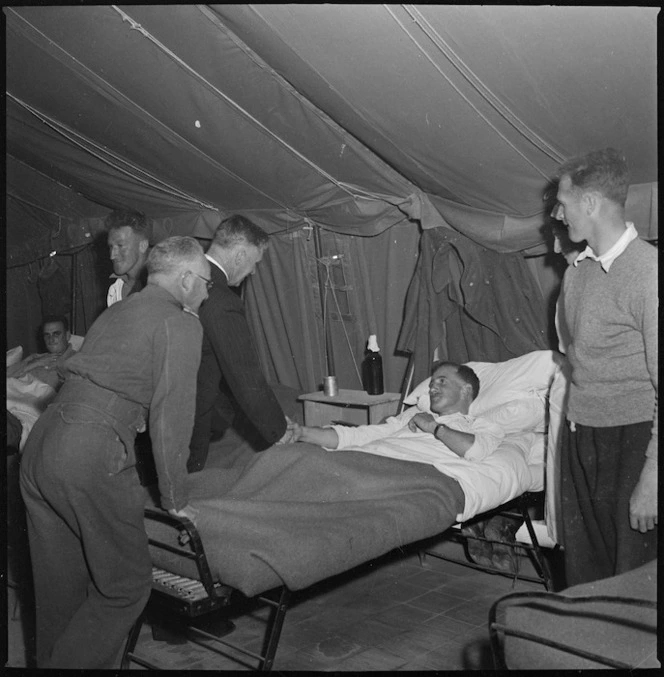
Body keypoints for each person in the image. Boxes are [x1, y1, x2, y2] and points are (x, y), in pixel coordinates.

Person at [20, 236, 211, 669]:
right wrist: (177, 501)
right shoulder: (180, 323)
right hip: (88, 448)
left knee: (60, 593)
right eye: (205, 282)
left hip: (44, 444)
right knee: (125, 586)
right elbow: (171, 418)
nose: (206, 291)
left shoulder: (117, 312)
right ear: (185, 279)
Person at [552, 148, 657, 587]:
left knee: (631, 584)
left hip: (633, 442)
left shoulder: (648, 272)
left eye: (564, 201)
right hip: (580, 435)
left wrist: (653, 476)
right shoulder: (577, 273)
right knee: (583, 576)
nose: (557, 214)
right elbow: (575, 357)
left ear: (591, 203)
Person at [187, 214, 288, 473]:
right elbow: (246, 377)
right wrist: (279, 431)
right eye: (254, 263)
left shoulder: (185, 281)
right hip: (187, 421)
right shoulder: (222, 300)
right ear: (240, 256)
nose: (253, 271)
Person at [289, 361, 504, 464]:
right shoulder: (412, 415)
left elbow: (474, 451)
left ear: (466, 390)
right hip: (363, 458)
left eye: (442, 381)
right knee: (287, 459)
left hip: (394, 471)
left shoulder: (482, 426)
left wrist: (433, 427)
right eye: (430, 384)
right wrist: (302, 433)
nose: (432, 388)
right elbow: (363, 435)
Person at [7, 315, 78, 390]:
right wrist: (34, 363)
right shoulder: (37, 358)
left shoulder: (76, 360)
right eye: (47, 335)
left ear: (67, 335)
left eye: (56, 334)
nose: (51, 339)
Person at [106, 209, 150, 306]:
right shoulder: (115, 289)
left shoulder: (159, 287)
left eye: (120, 245)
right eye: (111, 247)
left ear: (143, 245)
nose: (112, 256)